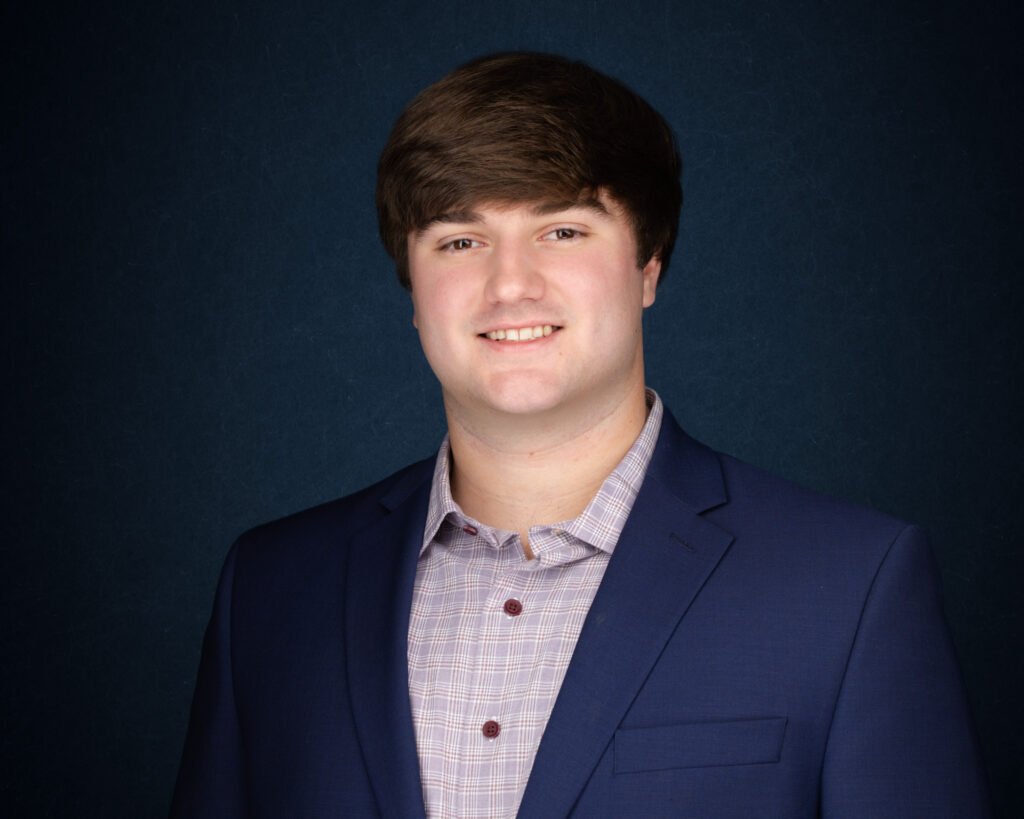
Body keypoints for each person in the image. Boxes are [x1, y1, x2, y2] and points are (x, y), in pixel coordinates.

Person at [170, 52, 989, 818]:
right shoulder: (272, 588)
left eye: (562, 230)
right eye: (460, 240)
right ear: (413, 291)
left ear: (649, 267)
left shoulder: (849, 588)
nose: (510, 283)